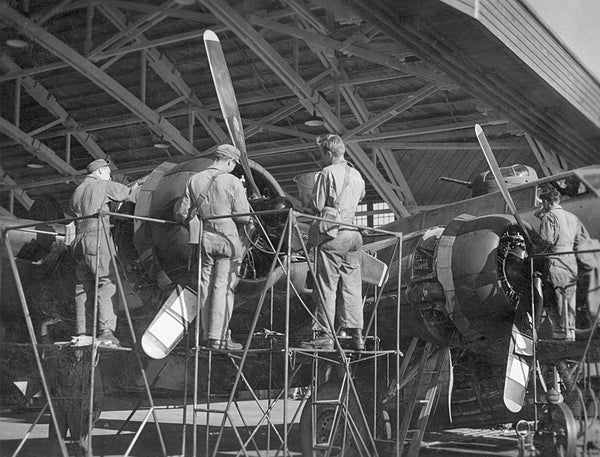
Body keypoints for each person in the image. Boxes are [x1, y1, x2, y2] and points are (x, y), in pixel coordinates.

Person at [174, 144, 253, 350]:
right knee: (223, 287)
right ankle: (218, 338)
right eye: (234, 164)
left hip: (205, 236)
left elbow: (182, 214)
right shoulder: (232, 181)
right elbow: (243, 216)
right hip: (227, 237)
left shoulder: (194, 180)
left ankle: (205, 336)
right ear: (229, 161)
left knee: (205, 286)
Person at [304, 134, 366, 351]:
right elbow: (360, 198)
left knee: (326, 286)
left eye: (323, 154)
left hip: (334, 235)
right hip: (354, 235)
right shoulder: (357, 175)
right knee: (352, 285)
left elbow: (317, 203)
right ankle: (356, 334)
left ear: (329, 153)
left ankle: (324, 334)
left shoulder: (327, 172)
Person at [71, 159, 139, 347]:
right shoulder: (103, 185)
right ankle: (107, 332)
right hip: (97, 237)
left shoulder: (77, 191)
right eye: (108, 172)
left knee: (82, 288)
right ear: (101, 171)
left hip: (78, 241)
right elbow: (130, 195)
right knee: (107, 282)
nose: (110, 176)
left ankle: (81, 332)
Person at [536, 188, 587, 341]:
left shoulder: (549, 217)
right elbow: (580, 240)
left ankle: (559, 335)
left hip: (556, 261)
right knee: (568, 299)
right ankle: (569, 334)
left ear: (545, 202)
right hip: (571, 262)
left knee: (552, 299)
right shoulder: (572, 217)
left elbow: (546, 241)